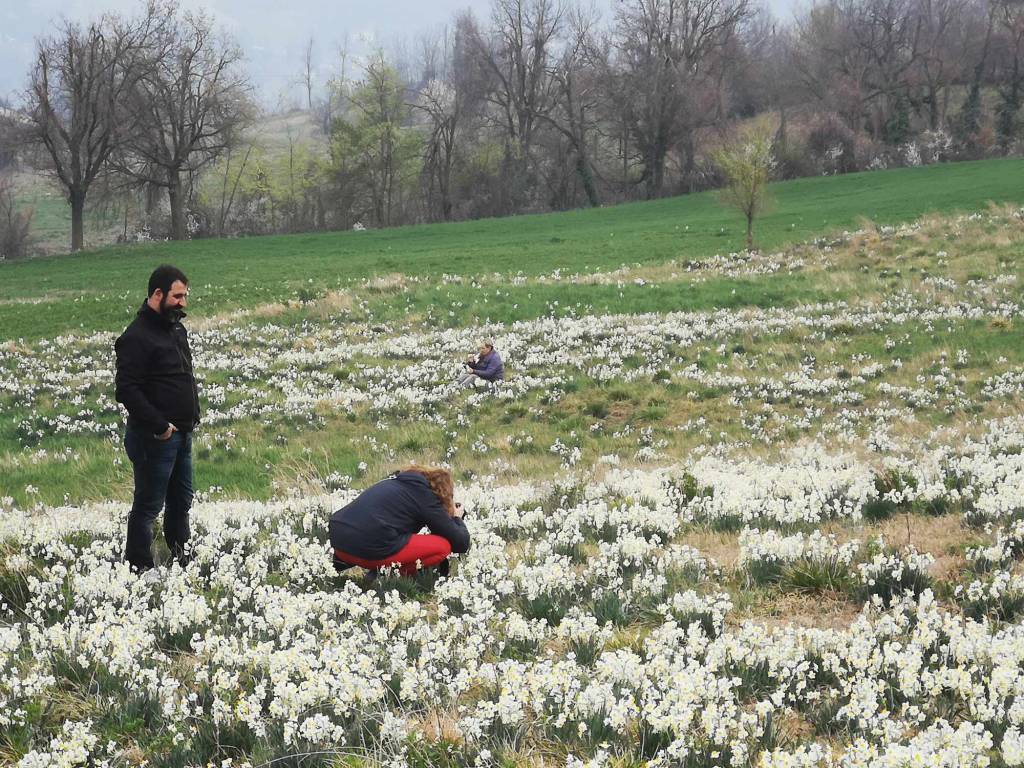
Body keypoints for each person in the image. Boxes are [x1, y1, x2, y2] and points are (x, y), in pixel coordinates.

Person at [115, 265, 200, 573]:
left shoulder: (176, 330)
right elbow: (126, 390)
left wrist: (191, 418)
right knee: (149, 507)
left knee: (181, 503)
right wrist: (161, 427)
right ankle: (140, 568)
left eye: (185, 296)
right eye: (177, 296)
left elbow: (182, 377)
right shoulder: (136, 337)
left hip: (183, 434)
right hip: (155, 438)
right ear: (157, 294)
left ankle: (183, 563)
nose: (183, 303)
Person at [330, 465, 470, 577]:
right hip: (369, 551)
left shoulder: (394, 484)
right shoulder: (425, 495)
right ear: (443, 492)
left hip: (340, 545)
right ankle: (387, 576)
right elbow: (460, 543)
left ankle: (379, 571)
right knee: (442, 546)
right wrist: (456, 517)